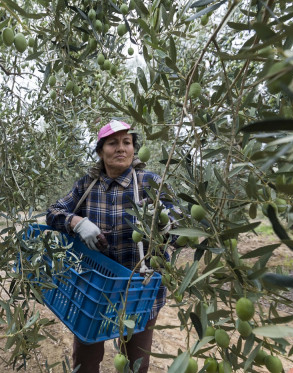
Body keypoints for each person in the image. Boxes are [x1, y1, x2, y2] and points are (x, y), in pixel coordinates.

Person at [45, 120, 178, 373]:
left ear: (134, 149)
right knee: (85, 362)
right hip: (94, 291)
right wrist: (77, 222)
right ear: (100, 151)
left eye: (126, 142)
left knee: (135, 364)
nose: (121, 148)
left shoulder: (150, 183)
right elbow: (52, 212)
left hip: (140, 293)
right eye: (113, 143)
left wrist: (163, 225)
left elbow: (179, 223)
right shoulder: (87, 185)